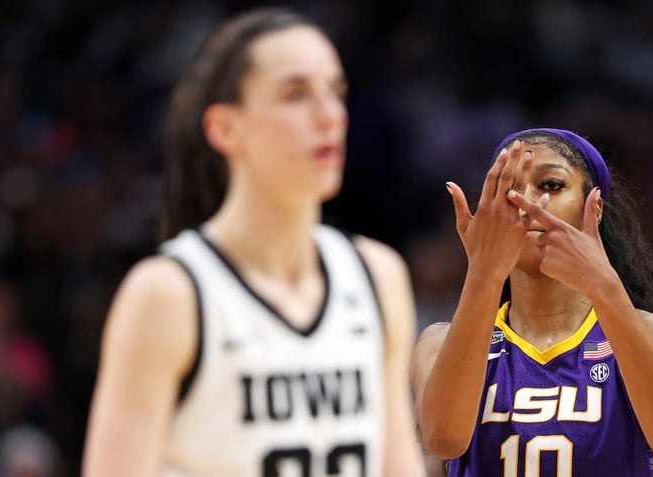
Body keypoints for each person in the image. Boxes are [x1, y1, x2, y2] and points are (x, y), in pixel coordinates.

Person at [82, 8, 423, 477]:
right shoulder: (167, 295)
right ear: (225, 127)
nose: (329, 116)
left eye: (336, 92)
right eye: (295, 94)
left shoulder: (378, 276)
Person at [411, 128, 653, 476]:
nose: (527, 201)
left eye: (550, 185)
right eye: (509, 189)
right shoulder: (439, 342)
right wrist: (483, 273)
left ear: (593, 209)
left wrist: (604, 287)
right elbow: (443, 440)